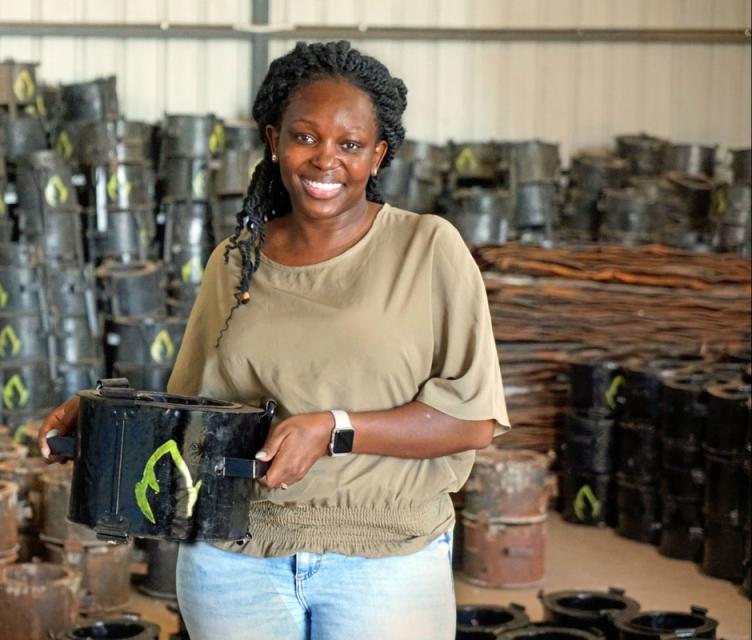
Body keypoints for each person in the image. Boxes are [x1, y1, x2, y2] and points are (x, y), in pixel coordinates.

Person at [40, 40, 509, 640]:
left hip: (382, 562)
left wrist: (333, 427)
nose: (325, 160)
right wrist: (108, 420)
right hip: (233, 557)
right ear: (273, 140)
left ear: (378, 155)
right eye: (305, 137)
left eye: (350, 145)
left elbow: (473, 421)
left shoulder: (426, 249)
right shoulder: (235, 262)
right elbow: (197, 414)